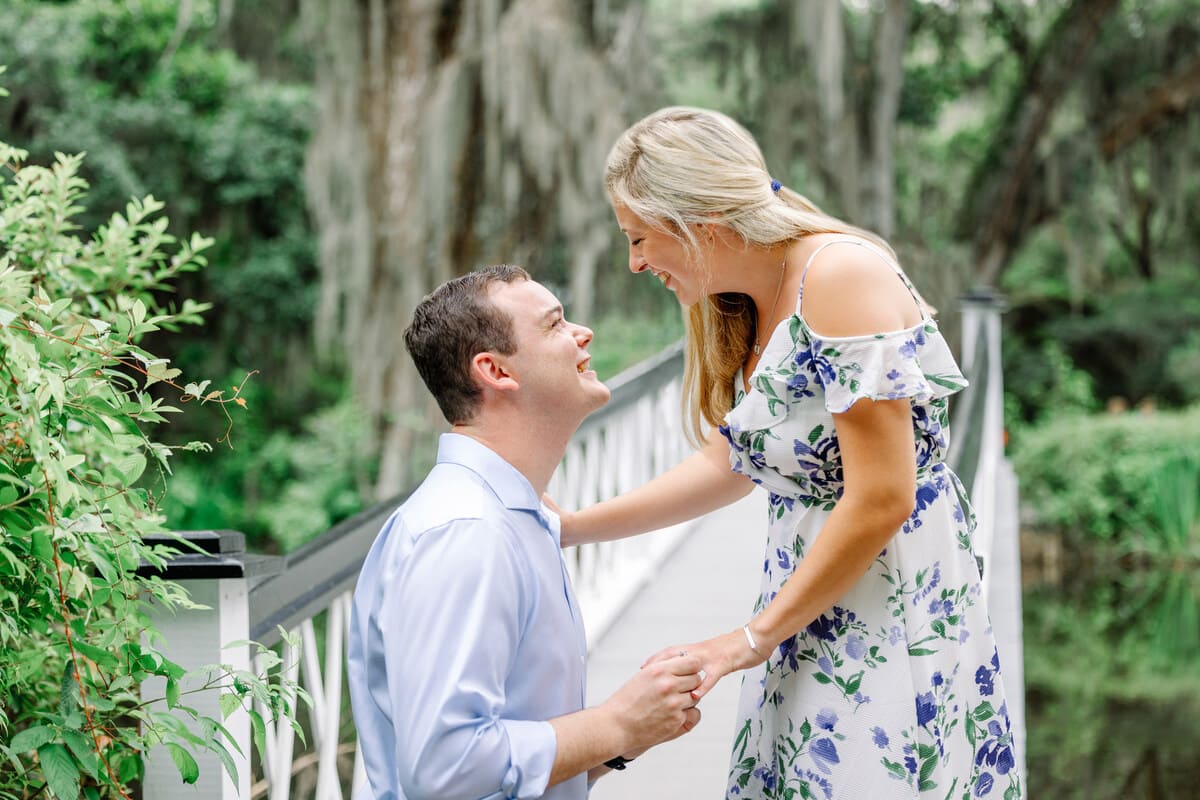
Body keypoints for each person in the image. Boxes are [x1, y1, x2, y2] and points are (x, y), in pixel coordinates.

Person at [559, 108, 1023, 799]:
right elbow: (732, 463)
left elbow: (883, 495)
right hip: (811, 602)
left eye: (639, 238)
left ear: (700, 221)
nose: (634, 263)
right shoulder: (742, 299)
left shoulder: (840, 277)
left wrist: (747, 641)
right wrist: (570, 527)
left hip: (886, 603)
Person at [347, 265, 703, 800]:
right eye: (555, 324)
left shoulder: (513, 517)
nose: (583, 333)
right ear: (495, 370)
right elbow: (446, 767)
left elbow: (507, 767)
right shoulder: (467, 533)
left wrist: (628, 736)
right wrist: (615, 724)